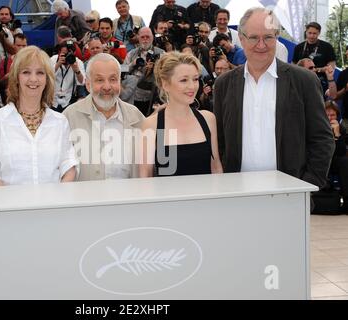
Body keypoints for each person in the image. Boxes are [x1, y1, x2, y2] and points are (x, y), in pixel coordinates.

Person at [213, 8, 334, 189]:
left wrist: (306, 185)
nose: (261, 45)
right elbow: (220, 140)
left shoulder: (304, 80)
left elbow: (322, 138)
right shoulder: (224, 84)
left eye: (268, 37)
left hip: (289, 195)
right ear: (242, 39)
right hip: (236, 195)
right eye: (254, 37)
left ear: (276, 38)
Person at [0, 46, 78, 186]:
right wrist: (10, 204)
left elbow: (69, 165)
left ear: (47, 79)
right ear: (16, 78)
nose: (33, 79)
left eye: (40, 73)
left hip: (52, 204)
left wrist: (58, 199)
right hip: (9, 205)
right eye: (26, 72)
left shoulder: (60, 121)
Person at [63, 53, 145, 181]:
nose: (107, 87)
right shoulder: (69, 118)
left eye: (113, 79)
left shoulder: (137, 118)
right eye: (100, 80)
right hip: (85, 199)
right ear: (88, 84)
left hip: (128, 199)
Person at [139, 51, 222, 177]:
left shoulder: (207, 119)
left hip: (205, 196)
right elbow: (145, 175)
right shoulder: (152, 124)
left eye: (195, 79)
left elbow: (215, 167)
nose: (192, 86)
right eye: (183, 80)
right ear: (165, 84)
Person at [325, 101, 348, 213]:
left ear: (337, 115)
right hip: (321, 161)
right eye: (327, 115)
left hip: (334, 161)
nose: (330, 118)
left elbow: (342, 152)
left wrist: (337, 134)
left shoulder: (341, 127)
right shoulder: (317, 126)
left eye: (332, 115)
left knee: (344, 162)